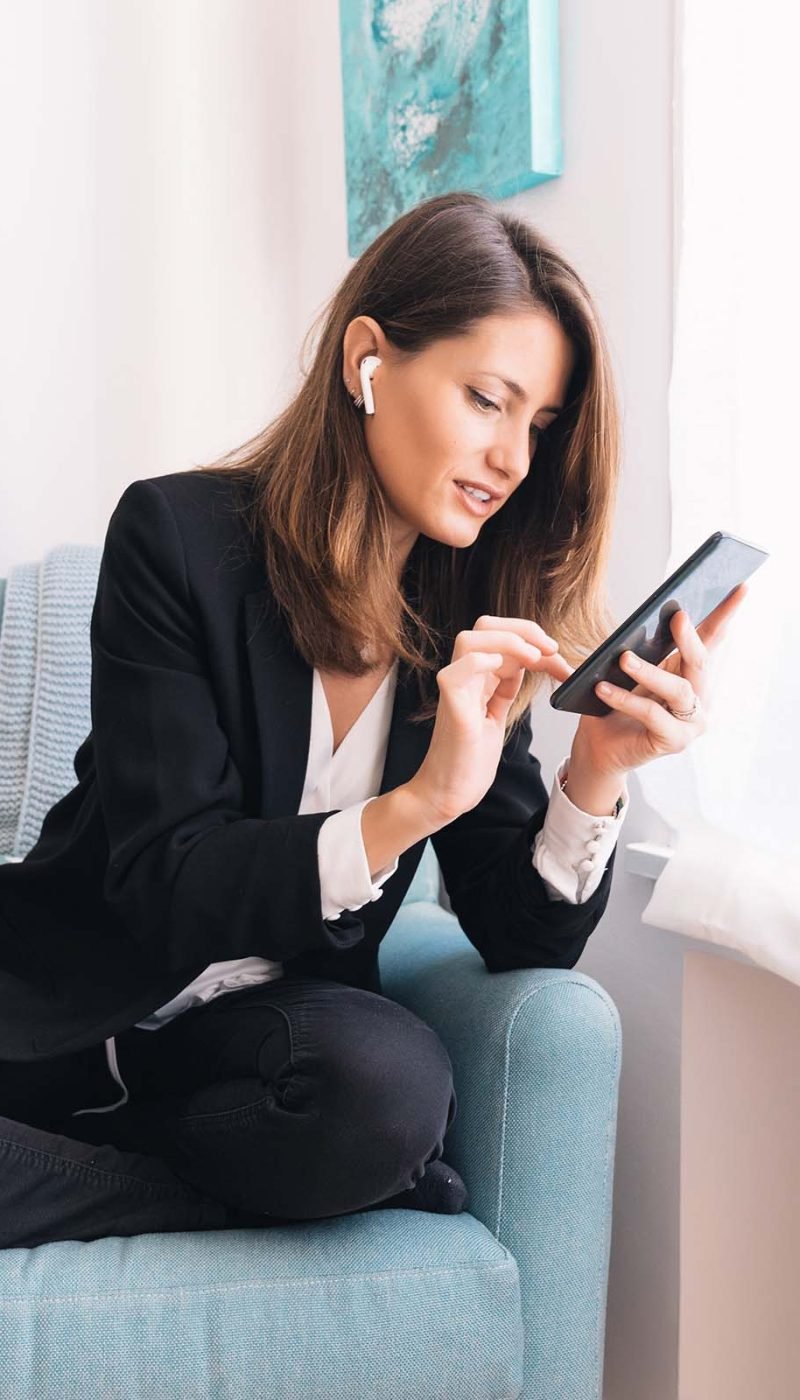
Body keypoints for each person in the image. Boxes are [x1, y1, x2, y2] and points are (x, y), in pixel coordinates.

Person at [0, 191, 744, 1249]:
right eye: (487, 400)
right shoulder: (175, 540)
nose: (514, 460)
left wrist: (596, 769)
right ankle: (173, 1197)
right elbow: (171, 883)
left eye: (537, 426)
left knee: (390, 1091)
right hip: (58, 1011)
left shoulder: (466, 619)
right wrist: (415, 804)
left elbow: (517, 929)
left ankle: (116, 1178)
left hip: (244, 1052)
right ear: (368, 360)